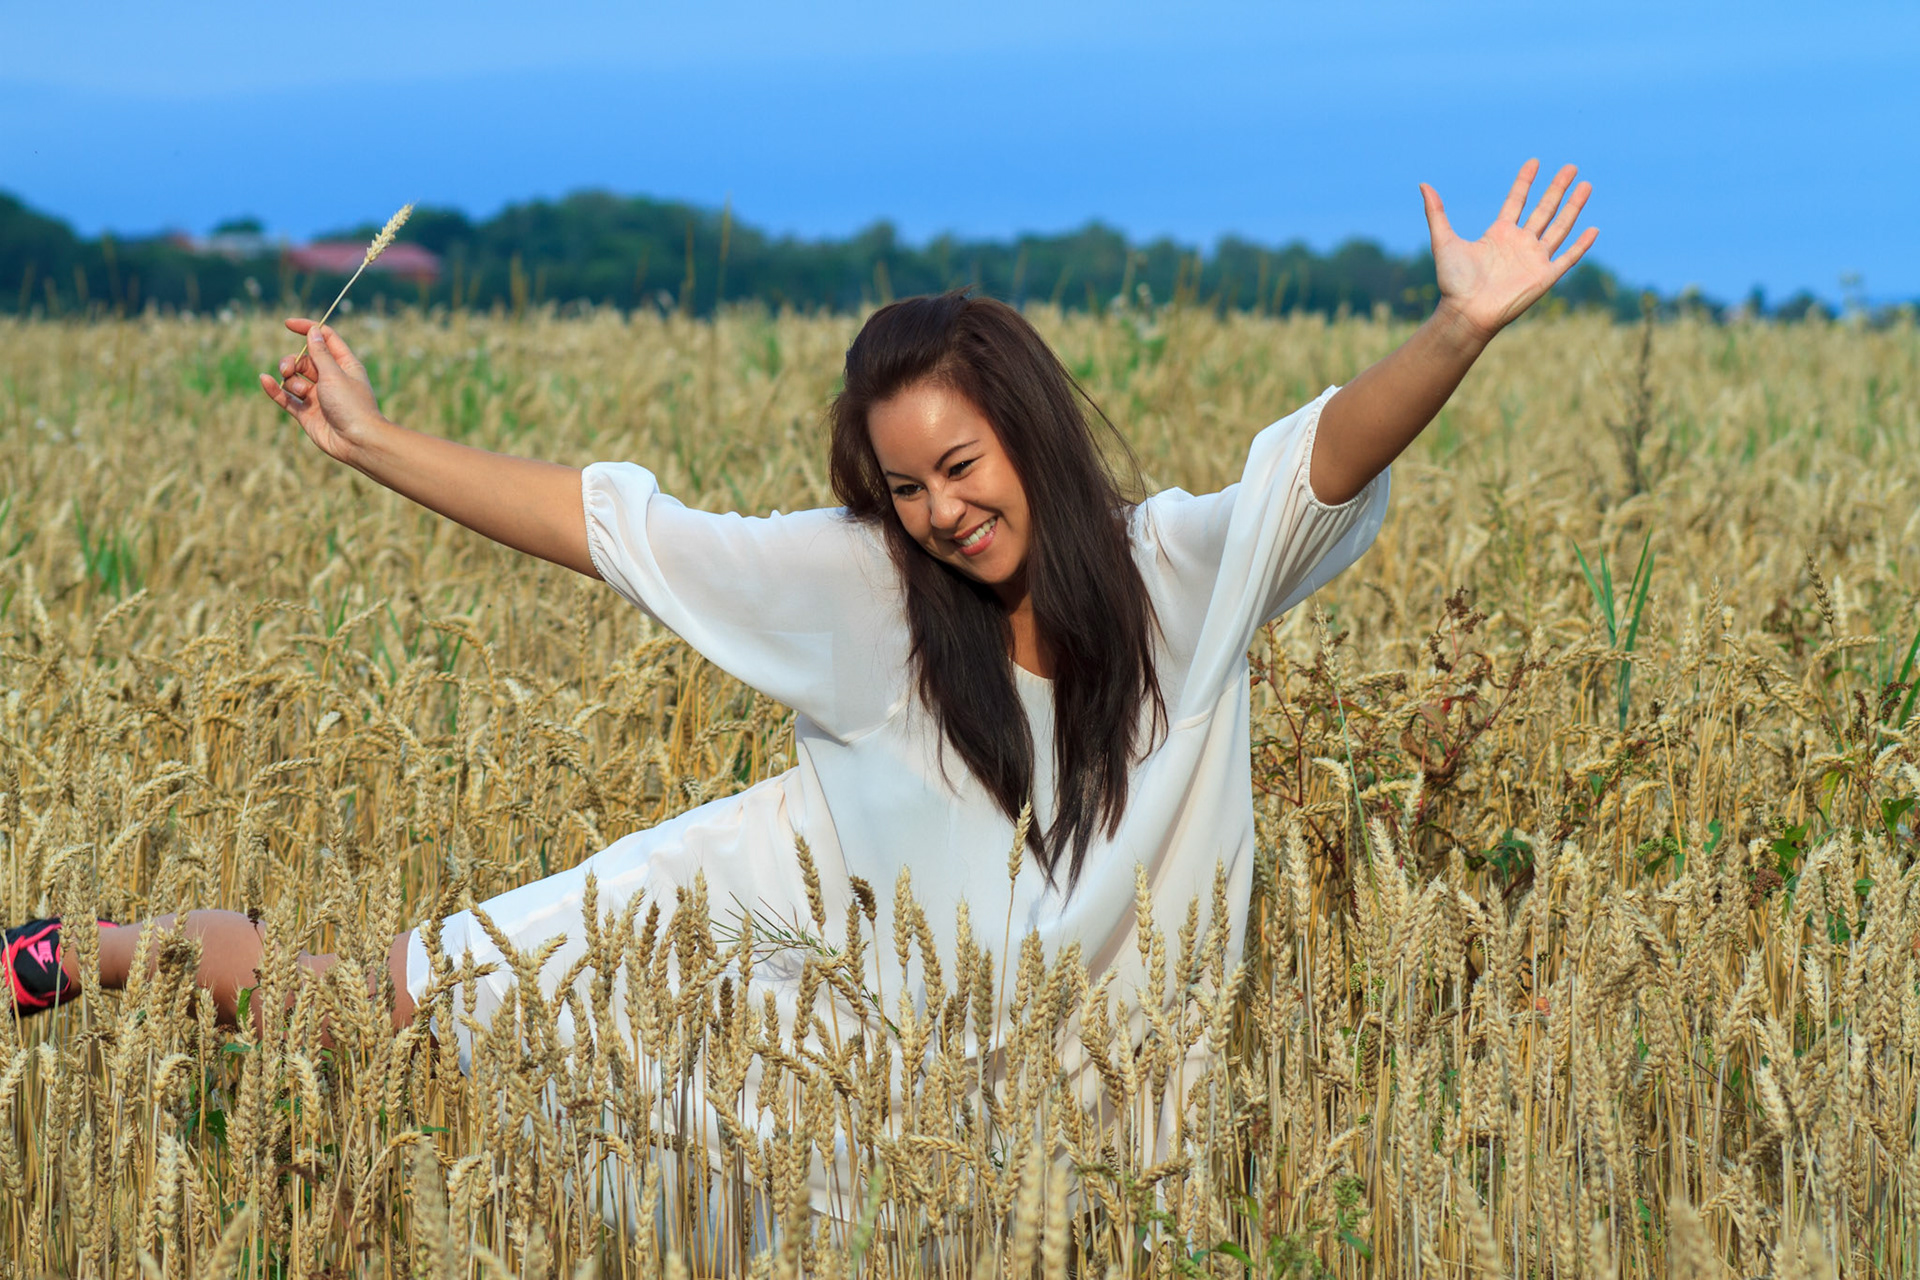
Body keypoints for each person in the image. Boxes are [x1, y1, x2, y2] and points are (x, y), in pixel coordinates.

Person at [6, 161, 1594, 1076]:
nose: (940, 514)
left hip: (1006, 1103)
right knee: (376, 1009)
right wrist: (366, 442)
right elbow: (609, 528)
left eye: (960, 469)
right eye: (903, 487)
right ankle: (89, 952)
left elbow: (1317, 458)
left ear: (1028, 433)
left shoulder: (1181, 572)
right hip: (750, 959)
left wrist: (1456, 330)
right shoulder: (864, 589)